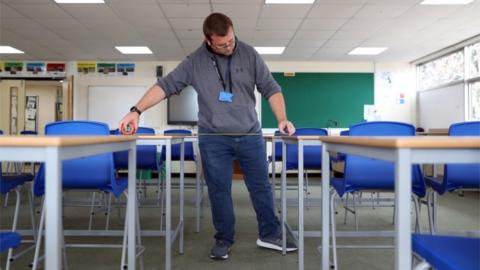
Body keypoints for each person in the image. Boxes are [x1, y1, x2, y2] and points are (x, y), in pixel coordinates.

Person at [119, 12, 297, 260]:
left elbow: (271, 88)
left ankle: (269, 233)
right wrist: (136, 111)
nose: (229, 46)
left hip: (249, 135)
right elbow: (165, 86)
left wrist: (282, 119)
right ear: (209, 41)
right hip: (213, 137)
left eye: (231, 40)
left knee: (261, 186)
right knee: (218, 189)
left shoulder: (249, 54)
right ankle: (224, 238)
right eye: (222, 44)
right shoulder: (194, 62)